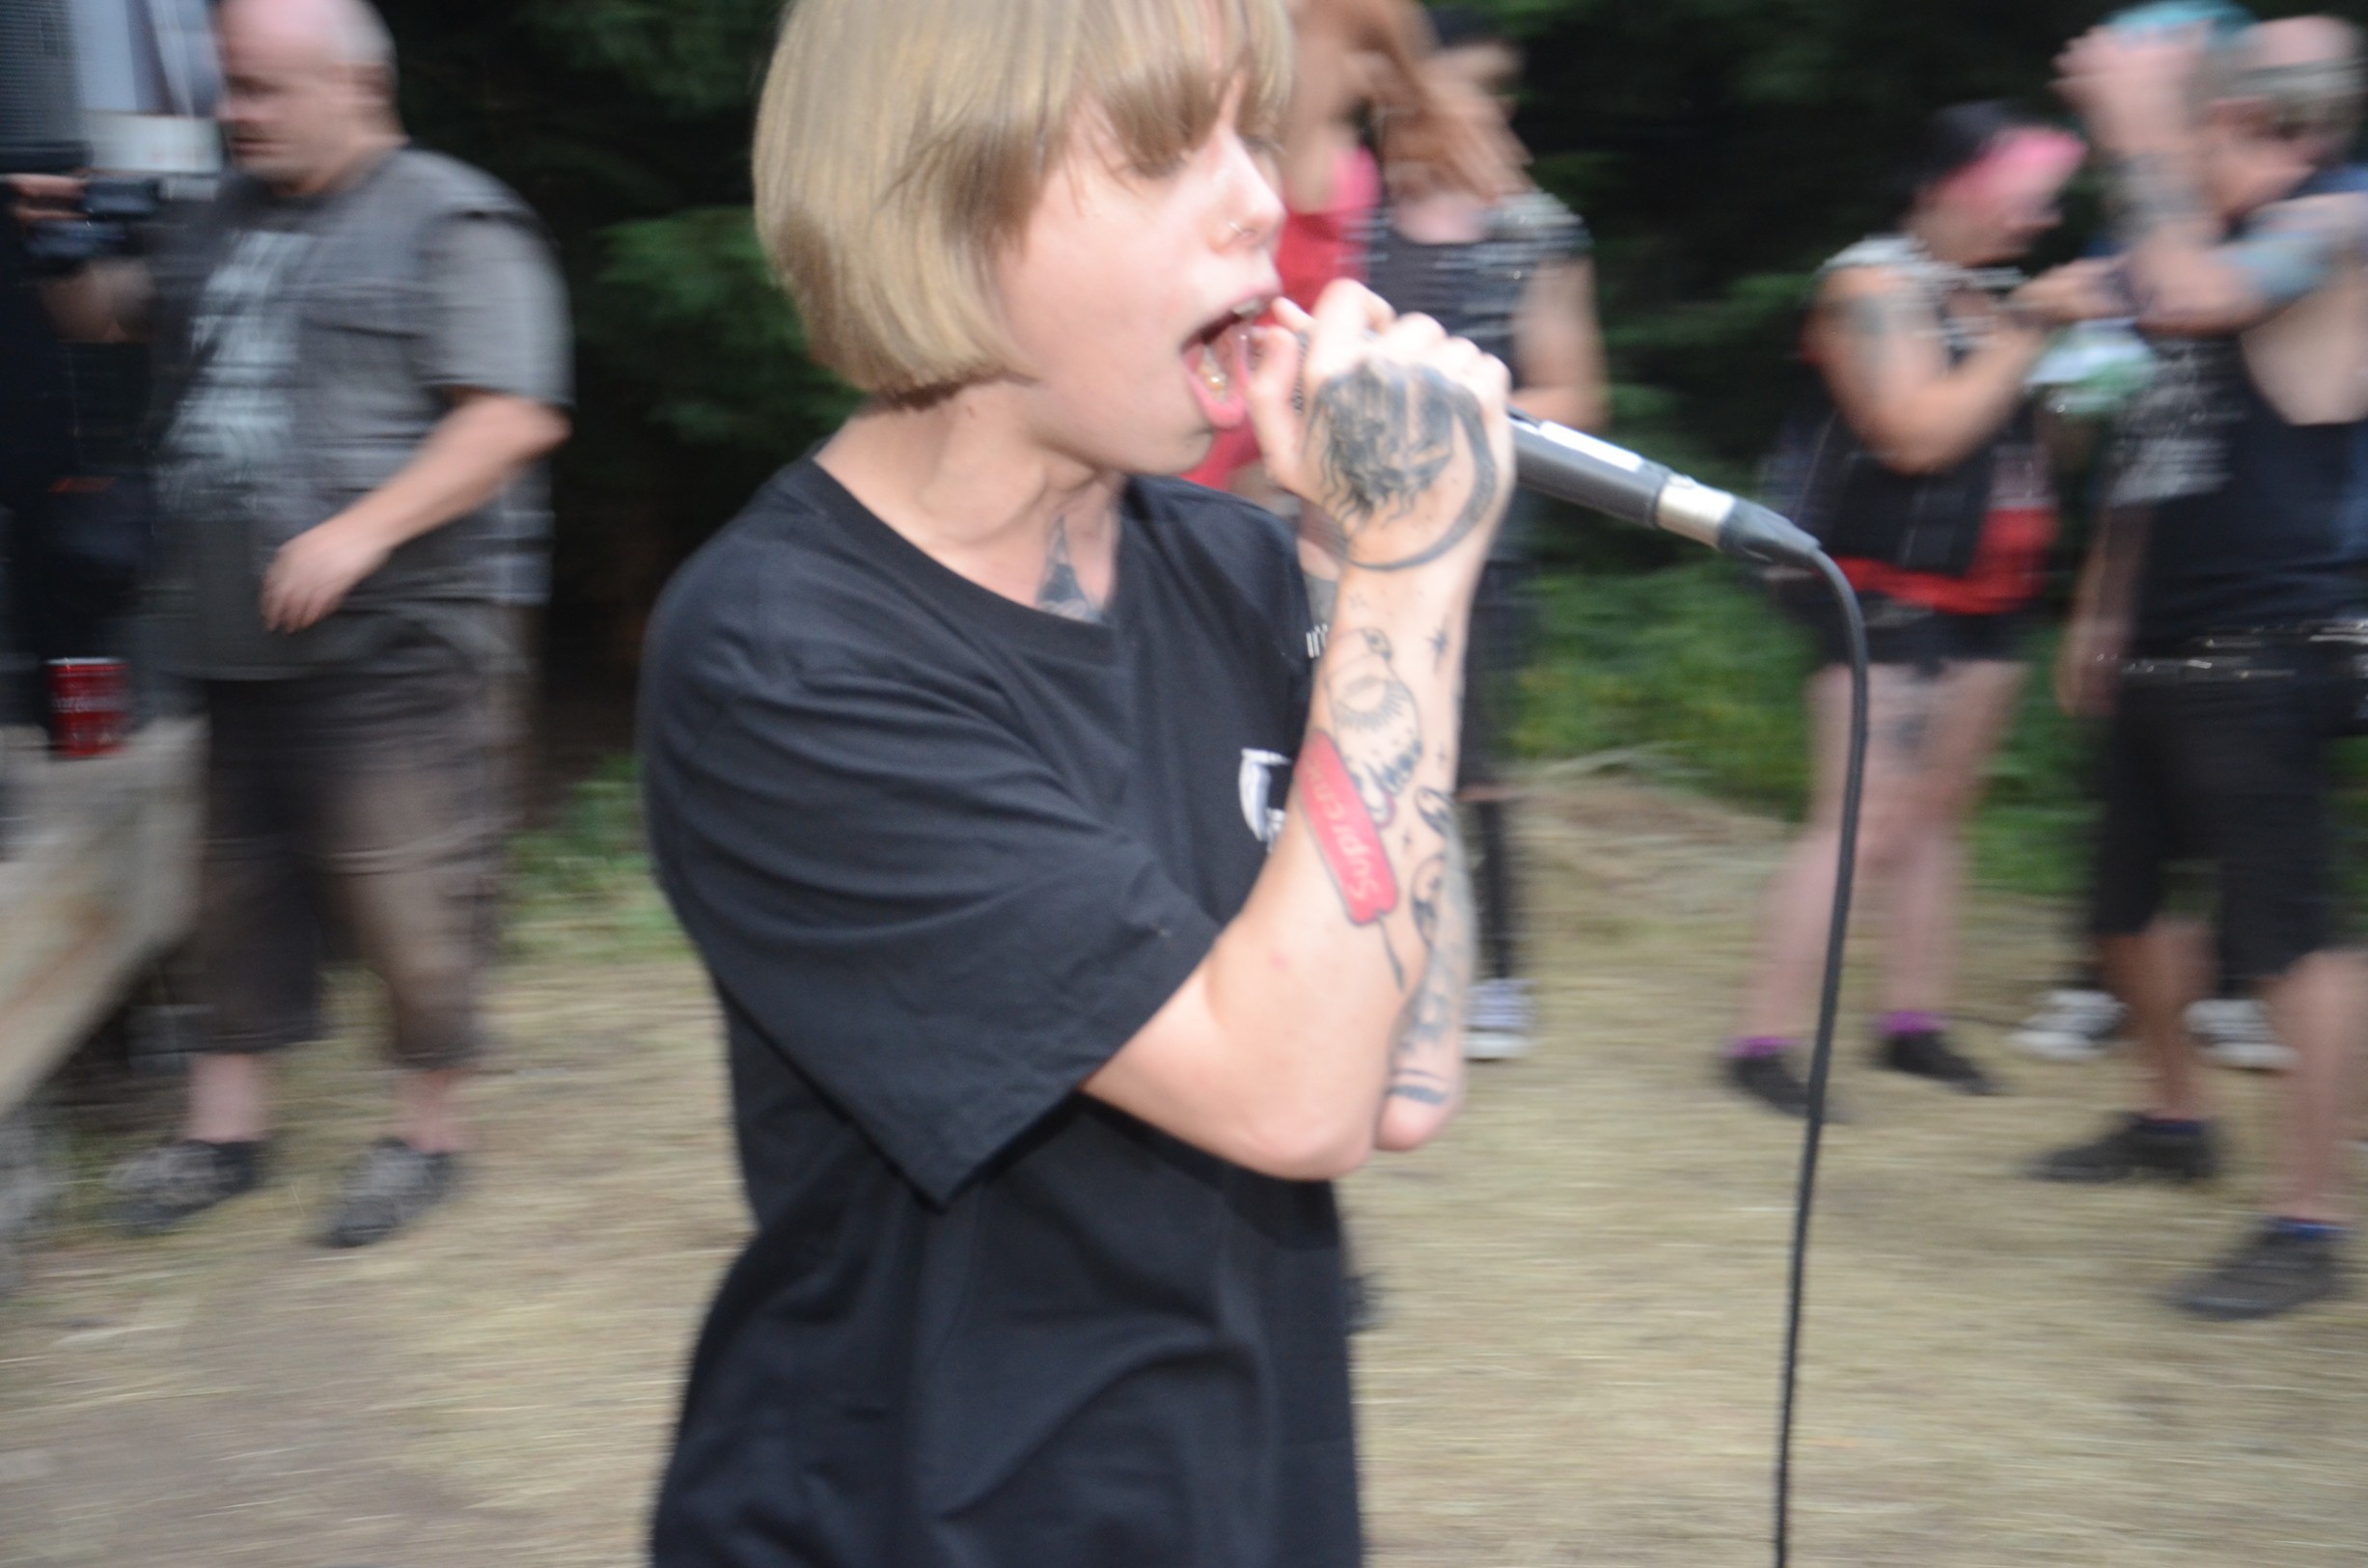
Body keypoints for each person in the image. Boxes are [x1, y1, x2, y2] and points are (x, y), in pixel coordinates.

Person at [637, 0, 1507, 1559]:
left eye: (1253, 137)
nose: (1259, 200)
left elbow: (1403, 1075)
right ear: (942, 200)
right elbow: (1288, 1094)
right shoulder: (781, 662)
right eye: (1170, 151)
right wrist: (1407, 579)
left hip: (1246, 1498)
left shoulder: (1246, 567)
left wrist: (1345, 570)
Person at [13, 0, 570, 1246]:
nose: (235, 112)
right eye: (231, 85)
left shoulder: (450, 217)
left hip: (391, 639)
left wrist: (363, 528)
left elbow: (511, 414)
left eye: (262, 89)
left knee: (410, 890)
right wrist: (61, 251)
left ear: (355, 84)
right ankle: (225, 1134)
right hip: (231, 631)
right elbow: (107, 317)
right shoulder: (221, 215)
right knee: (234, 889)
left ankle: (427, 1135)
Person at [2036, 14, 2368, 1319]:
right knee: (2121, 910)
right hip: (2164, 630)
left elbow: (2189, 296)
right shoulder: (2203, 232)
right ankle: (2172, 1119)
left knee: (2288, 938)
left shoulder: (2337, 221)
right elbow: (2143, 430)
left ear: (2262, 125)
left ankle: (2306, 1222)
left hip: (2271, 636)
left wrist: (2134, 130)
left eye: (2202, 122)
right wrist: (2099, 604)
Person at [1723, 104, 2092, 1116]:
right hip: (1885, 586)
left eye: (2043, 201)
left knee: (1938, 816)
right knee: (1859, 821)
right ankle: (1760, 1041)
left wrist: (2077, 377)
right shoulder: (1869, 285)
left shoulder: (1995, 297)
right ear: (1942, 186)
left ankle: (1913, 1023)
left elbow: (2051, 449)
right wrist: (2029, 334)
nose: (2037, 219)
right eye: (2017, 197)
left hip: (1993, 591)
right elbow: (1913, 435)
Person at [1365, 4, 1607, 1059]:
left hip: (1477, 548)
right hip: (1330, 537)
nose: (1490, 112)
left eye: (1498, 91)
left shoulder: (1534, 230)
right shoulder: (1346, 213)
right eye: (1468, 85)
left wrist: (1431, 417)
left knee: (1471, 764)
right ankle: (1366, 964)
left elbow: (1575, 398)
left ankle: (1496, 973)